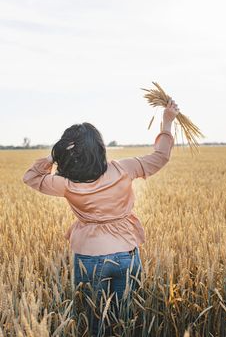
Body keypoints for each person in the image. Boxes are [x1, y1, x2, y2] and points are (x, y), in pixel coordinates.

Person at [22, 98, 179, 336]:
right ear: (100, 148)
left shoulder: (66, 184)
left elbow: (31, 178)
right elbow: (161, 156)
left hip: (89, 257)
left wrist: (53, 157)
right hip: (127, 252)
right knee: (125, 319)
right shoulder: (124, 168)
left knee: (94, 323)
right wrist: (167, 122)